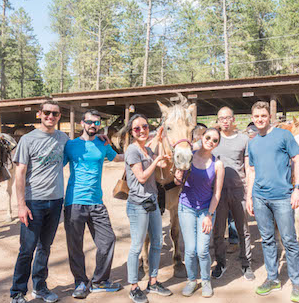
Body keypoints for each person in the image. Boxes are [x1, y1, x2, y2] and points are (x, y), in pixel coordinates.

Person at [10, 100, 70, 303]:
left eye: (55, 113)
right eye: (47, 112)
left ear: (60, 116)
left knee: (45, 246)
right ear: (39, 114)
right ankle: (17, 292)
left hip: (55, 202)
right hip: (33, 201)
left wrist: (101, 138)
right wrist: (21, 205)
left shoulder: (63, 138)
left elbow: (82, 146)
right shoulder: (28, 140)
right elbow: (20, 173)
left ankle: (40, 287)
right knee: (27, 249)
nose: (50, 117)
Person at [246, 101, 299, 303]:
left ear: (269, 117)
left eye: (263, 116)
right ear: (252, 118)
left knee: (289, 240)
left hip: (282, 197)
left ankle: (297, 282)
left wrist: (298, 188)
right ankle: (273, 278)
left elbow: (298, 160)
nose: (260, 119)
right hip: (260, 198)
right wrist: (249, 196)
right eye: (256, 116)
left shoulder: (284, 136)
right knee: (267, 239)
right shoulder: (253, 142)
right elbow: (252, 171)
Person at [63, 109, 125, 299]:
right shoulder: (71, 145)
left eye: (96, 123)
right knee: (75, 246)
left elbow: (118, 158)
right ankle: (80, 282)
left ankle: (99, 281)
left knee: (108, 240)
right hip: (74, 202)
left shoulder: (103, 143)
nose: (93, 125)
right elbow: (56, 166)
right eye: (90, 122)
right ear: (82, 123)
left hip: (96, 202)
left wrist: (141, 150)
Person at [124, 114, 172, 303]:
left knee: (158, 243)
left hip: (152, 201)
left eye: (144, 126)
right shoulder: (132, 151)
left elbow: (160, 164)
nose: (142, 130)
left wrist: (165, 158)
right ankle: (134, 287)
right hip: (138, 205)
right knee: (136, 247)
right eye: (137, 128)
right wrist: (156, 159)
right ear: (131, 132)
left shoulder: (146, 149)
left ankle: (153, 282)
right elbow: (142, 177)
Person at [175, 127, 224, 298]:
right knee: (189, 249)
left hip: (205, 210)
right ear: (202, 137)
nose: (210, 141)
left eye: (215, 140)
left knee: (202, 250)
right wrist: (178, 174)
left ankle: (205, 280)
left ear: (217, 144)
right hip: (186, 207)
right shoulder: (190, 154)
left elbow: (217, 193)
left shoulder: (218, 164)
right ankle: (191, 280)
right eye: (208, 137)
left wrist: (209, 215)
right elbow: (177, 180)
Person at [209, 107, 255, 281]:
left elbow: (249, 167)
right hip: (217, 192)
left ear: (233, 119)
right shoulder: (213, 139)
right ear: (218, 121)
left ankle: (246, 263)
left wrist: (249, 192)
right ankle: (220, 263)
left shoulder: (244, 140)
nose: (225, 121)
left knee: (243, 230)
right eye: (222, 118)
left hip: (238, 190)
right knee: (218, 231)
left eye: (228, 118)